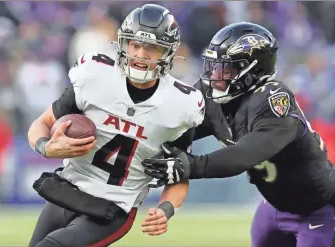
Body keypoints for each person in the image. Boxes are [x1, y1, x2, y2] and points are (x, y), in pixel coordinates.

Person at [143, 22, 335, 247]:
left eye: (226, 68)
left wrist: (190, 166)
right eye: (214, 66)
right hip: (274, 206)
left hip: (319, 209)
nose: (215, 75)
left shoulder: (273, 100)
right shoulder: (210, 94)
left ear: (253, 71)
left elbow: (245, 154)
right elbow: (175, 134)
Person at [27, 4, 204, 247]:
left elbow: (180, 172)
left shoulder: (181, 105)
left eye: (152, 47)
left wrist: (167, 208)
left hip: (112, 208)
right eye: (135, 44)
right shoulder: (95, 76)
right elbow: (42, 123)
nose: (141, 55)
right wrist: (47, 147)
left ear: (168, 52)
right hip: (67, 191)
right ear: (123, 44)